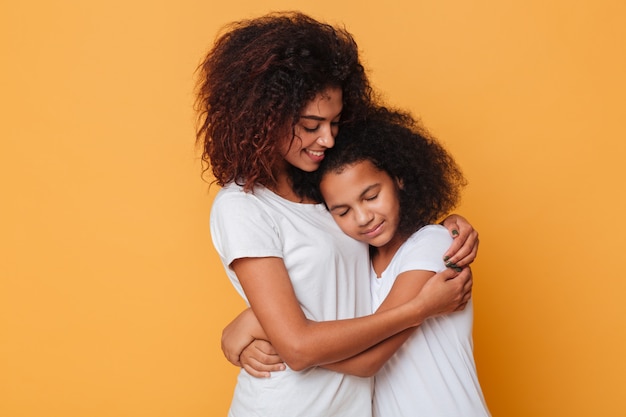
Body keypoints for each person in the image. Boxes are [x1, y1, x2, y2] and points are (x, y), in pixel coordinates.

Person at [196, 11, 478, 417]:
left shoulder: (323, 190)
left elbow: (341, 278)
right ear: (264, 117)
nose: (327, 138)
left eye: (334, 122)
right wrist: (419, 309)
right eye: (311, 125)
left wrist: (441, 223)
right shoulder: (242, 206)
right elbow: (296, 346)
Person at [232, 107, 491, 416]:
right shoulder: (361, 269)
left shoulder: (433, 245)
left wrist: (269, 331)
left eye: (371, 196)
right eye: (342, 211)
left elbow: (367, 360)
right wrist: (272, 333)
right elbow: (340, 330)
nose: (363, 217)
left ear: (399, 179)